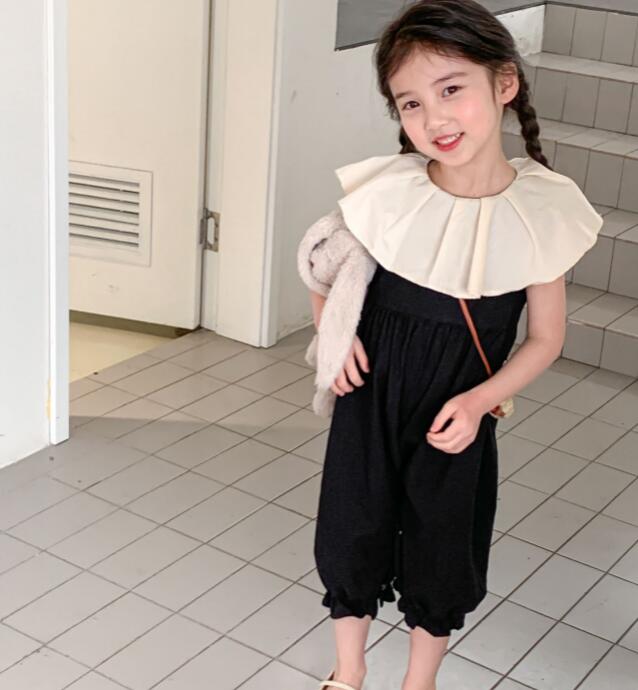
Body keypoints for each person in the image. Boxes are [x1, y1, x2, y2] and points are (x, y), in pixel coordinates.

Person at [305, 2, 603, 689]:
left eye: (451, 89)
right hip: (370, 399)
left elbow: (546, 339)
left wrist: (479, 401)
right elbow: (321, 271)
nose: (434, 118)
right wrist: (333, 336)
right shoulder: (390, 192)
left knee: (442, 546)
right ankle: (348, 672)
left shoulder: (542, 211)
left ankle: (420, 682)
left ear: (504, 83)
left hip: (457, 413)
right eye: (411, 103)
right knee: (351, 528)